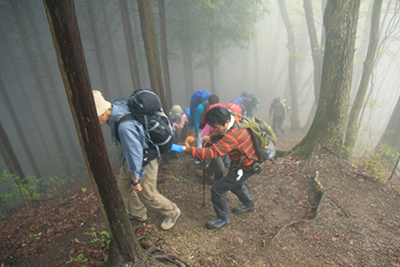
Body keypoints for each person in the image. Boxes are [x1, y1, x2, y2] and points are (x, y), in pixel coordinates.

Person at [92, 90, 181, 231]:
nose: (93, 122)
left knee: (147, 193)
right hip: (133, 158)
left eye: (94, 117)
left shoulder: (124, 127)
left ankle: (172, 211)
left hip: (145, 160)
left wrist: (135, 178)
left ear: (103, 112)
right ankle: (138, 213)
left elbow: (135, 153)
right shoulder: (117, 107)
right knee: (123, 187)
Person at [170, 106, 257, 230]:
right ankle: (249, 203)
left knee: (218, 189)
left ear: (226, 122)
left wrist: (184, 149)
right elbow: (222, 132)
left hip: (246, 166)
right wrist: (211, 137)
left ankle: (223, 218)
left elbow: (211, 153)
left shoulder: (234, 135)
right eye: (214, 128)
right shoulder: (235, 120)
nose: (215, 130)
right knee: (235, 184)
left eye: (216, 128)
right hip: (242, 161)